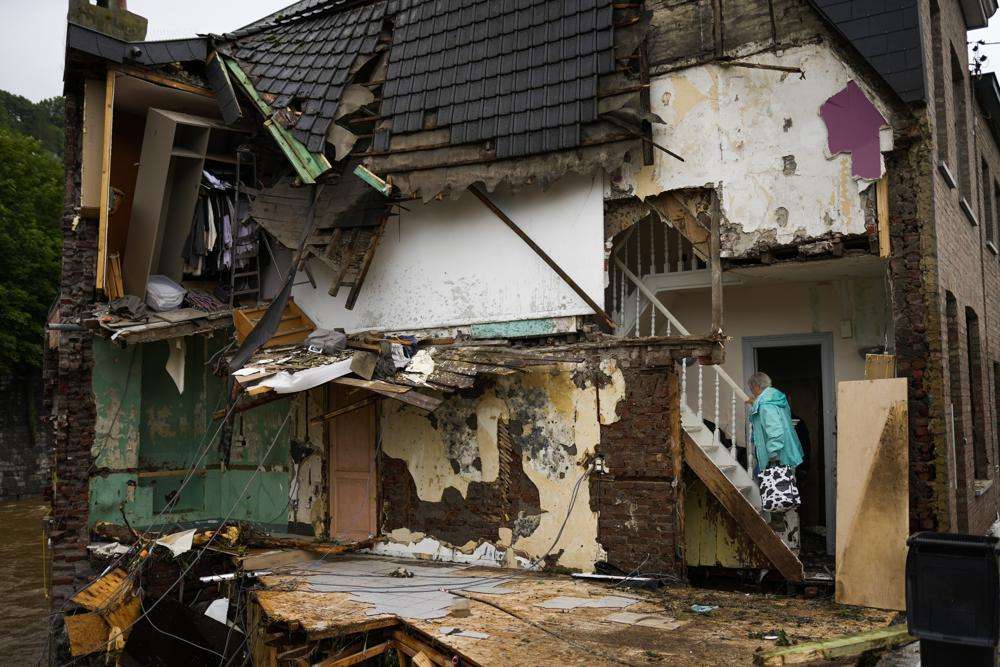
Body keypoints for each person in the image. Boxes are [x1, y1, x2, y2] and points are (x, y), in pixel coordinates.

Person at [746, 372, 804, 476]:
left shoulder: (766, 405)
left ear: (756, 386)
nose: (752, 393)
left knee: (770, 487)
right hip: (784, 454)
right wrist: (755, 403)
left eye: (751, 389)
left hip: (776, 458)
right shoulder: (774, 398)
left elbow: (775, 430)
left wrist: (773, 458)